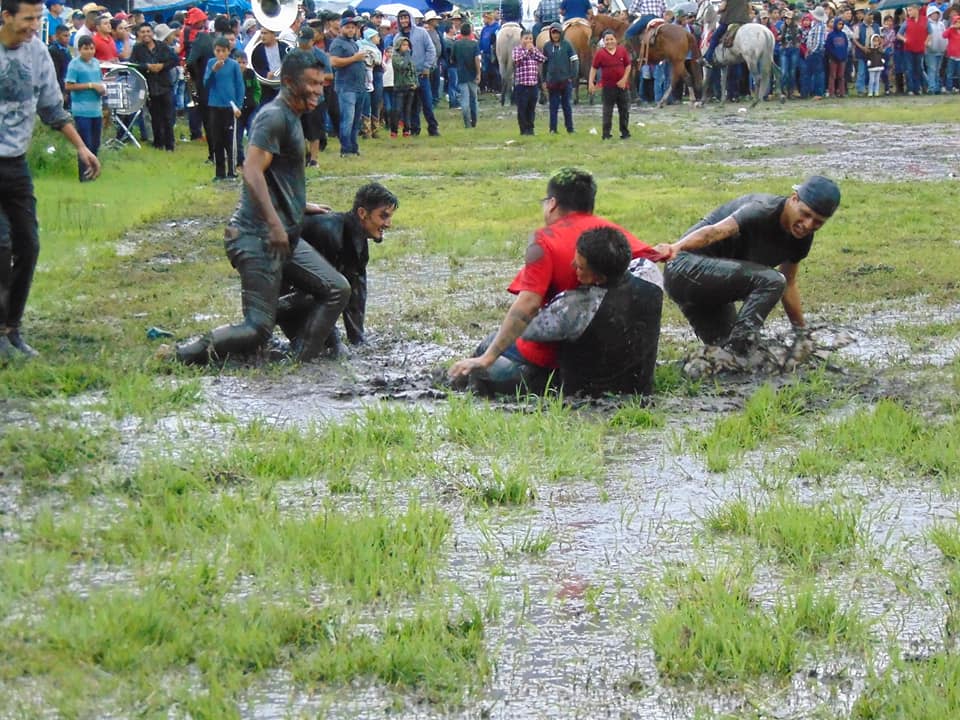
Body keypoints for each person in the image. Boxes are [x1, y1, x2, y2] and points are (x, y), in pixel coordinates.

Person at [173, 50, 351, 366]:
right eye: (311, 84)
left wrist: (299, 206)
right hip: (256, 236)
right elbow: (252, 171)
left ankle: (299, 360)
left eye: (321, 84)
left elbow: (276, 176)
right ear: (288, 82)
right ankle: (181, 355)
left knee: (336, 289)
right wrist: (274, 223)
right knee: (257, 329)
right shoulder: (273, 117)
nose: (318, 91)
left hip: (282, 235)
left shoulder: (293, 117)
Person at [448, 168, 662, 396]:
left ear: (552, 203)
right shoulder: (611, 236)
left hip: (552, 358)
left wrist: (487, 357)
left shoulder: (545, 243)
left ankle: (458, 384)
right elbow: (655, 255)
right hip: (610, 357)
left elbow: (528, 306)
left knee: (490, 346)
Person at [1, 0, 101, 360]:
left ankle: (12, 329)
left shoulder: (37, 52)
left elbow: (52, 109)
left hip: (15, 164)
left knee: (28, 244)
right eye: (28, 18)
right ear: (6, 16)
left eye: (38, 19)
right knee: (1, 246)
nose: (33, 26)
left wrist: (82, 148)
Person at [656, 176, 841, 358]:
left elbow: (789, 284)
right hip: (683, 268)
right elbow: (714, 232)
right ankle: (742, 344)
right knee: (772, 281)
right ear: (794, 199)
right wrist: (675, 247)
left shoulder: (802, 239)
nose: (808, 225)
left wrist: (802, 336)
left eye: (818, 222)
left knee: (739, 358)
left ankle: (737, 354)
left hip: (712, 290)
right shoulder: (763, 209)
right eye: (805, 214)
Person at [521, 227, 663, 397]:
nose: (572, 265)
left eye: (580, 267)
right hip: (639, 392)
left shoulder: (574, 307)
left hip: (585, 399)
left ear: (599, 278)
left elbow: (526, 331)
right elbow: (641, 262)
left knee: (502, 355)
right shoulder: (651, 275)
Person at [289, 182, 398, 347]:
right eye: (383, 216)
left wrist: (358, 340)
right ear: (362, 213)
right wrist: (334, 340)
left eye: (390, 217)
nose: (388, 224)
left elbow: (356, 293)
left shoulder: (359, 242)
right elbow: (320, 291)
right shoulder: (329, 231)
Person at [130, 22, 178, 151]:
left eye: (148, 31)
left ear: (152, 33)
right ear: (139, 34)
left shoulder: (162, 46)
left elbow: (174, 60)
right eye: (143, 32)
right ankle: (158, 143)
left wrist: (162, 66)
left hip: (165, 85)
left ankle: (170, 145)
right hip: (150, 86)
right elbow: (133, 64)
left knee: (168, 116)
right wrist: (147, 67)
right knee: (155, 116)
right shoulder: (137, 49)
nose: (146, 34)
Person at [204, 35, 244, 180]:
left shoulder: (233, 65)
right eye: (218, 51)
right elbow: (206, 84)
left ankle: (232, 171)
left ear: (228, 51)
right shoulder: (211, 63)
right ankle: (219, 172)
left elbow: (240, 86)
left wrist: (238, 105)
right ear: (214, 51)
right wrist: (213, 71)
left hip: (230, 107)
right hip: (215, 105)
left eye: (223, 51)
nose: (220, 54)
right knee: (217, 139)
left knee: (230, 139)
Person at [64, 34, 103, 179]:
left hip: (96, 109)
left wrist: (101, 89)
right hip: (82, 110)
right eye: (86, 49)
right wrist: (90, 85)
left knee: (95, 144)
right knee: (86, 143)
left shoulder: (96, 63)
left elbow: (99, 82)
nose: (89, 52)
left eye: (92, 48)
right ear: (80, 50)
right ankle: (84, 175)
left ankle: (94, 172)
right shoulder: (75, 64)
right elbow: (69, 86)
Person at [327, 11, 366, 157]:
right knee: (347, 120)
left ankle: (353, 147)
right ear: (341, 28)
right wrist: (354, 59)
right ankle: (345, 149)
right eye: (348, 27)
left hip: (359, 86)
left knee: (356, 121)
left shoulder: (353, 43)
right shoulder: (337, 43)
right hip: (346, 87)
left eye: (353, 27)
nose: (351, 30)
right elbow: (333, 61)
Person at [395, 9, 439, 136]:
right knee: (412, 105)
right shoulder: (397, 38)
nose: (404, 20)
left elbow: (431, 49)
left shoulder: (421, 32)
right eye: (401, 18)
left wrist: (427, 66)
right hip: (408, 77)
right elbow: (396, 56)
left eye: (405, 17)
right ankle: (415, 129)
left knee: (427, 103)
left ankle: (433, 128)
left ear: (410, 18)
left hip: (422, 74)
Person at [589, 30, 631, 141]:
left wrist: (624, 79)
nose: (609, 42)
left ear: (615, 40)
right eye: (607, 40)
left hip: (622, 86)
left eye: (611, 39)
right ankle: (606, 134)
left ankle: (625, 132)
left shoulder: (622, 50)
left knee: (624, 110)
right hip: (608, 87)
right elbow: (594, 68)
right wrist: (591, 82)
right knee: (607, 111)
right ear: (603, 41)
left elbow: (628, 66)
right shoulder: (600, 53)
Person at [541, 22, 578, 134]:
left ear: (561, 33)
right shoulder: (547, 46)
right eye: (553, 33)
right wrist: (544, 80)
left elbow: (575, 60)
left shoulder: (567, 45)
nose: (555, 35)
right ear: (550, 33)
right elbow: (544, 65)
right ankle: (553, 129)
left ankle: (570, 128)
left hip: (565, 81)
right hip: (552, 82)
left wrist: (572, 76)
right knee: (553, 106)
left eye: (557, 33)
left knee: (567, 105)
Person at [512, 30, 545, 136]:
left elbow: (542, 59)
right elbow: (516, 60)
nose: (528, 41)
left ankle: (531, 129)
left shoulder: (534, 50)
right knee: (522, 108)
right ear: (521, 39)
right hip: (522, 85)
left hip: (533, 85)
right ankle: (523, 129)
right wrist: (526, 51)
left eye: (530, 39)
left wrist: (533, 51)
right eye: (526, 38)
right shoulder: (517, 50)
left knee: (531, 108)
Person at [702, 0, 750, 67]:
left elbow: (722, 7)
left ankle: (708, 59)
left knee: (714, 37)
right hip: (745, 21)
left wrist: (718, 11)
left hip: (729, 20)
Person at [451, 21, 480, 128]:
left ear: (461, 32)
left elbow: (452, 59)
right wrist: (478, 73)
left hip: (461, 75)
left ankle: (467, 123)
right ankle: (474, 121)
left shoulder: (456, 44)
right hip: (472, 74)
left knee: (464, 99)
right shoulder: (474, 44)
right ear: (470, 32)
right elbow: (477, 59)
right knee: (473, 99)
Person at [390, 34, 417, 136]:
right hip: (400, 87)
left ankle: (406, 130)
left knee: (407, 110)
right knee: (397, 110)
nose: (406, 47)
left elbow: (413, 71)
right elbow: (402, 66)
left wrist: (415, 83)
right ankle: (394, 130)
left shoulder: (409, 57)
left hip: (410, 86)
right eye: (404, 45)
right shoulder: (395, 57)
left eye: (407, 45)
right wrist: (407, 56)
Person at [826, 17, 849, 97]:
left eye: (842, 24)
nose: (841, 26)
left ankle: (842, 92)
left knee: (841, 76)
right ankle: (831, 92)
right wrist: (833, 55)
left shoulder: (843, 34)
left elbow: (846, 45)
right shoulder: (831, 35)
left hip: (842, 58)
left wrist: (844, 56)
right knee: (833, 76)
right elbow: (828, 47)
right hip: (833, 58)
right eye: (839, 24)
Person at [866, 31, 884, 96]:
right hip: (872, 66)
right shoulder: (870, 49)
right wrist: (868, 61)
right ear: (871, 41)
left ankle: (876, 91)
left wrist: (882, 60)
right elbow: (868, 56)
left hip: (879, 65)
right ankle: (870, 91)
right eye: (874, 41)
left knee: (877, 79)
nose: (875, 42)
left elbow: (882, 55)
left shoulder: (880, 49)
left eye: (877, 41)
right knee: (872, 79)